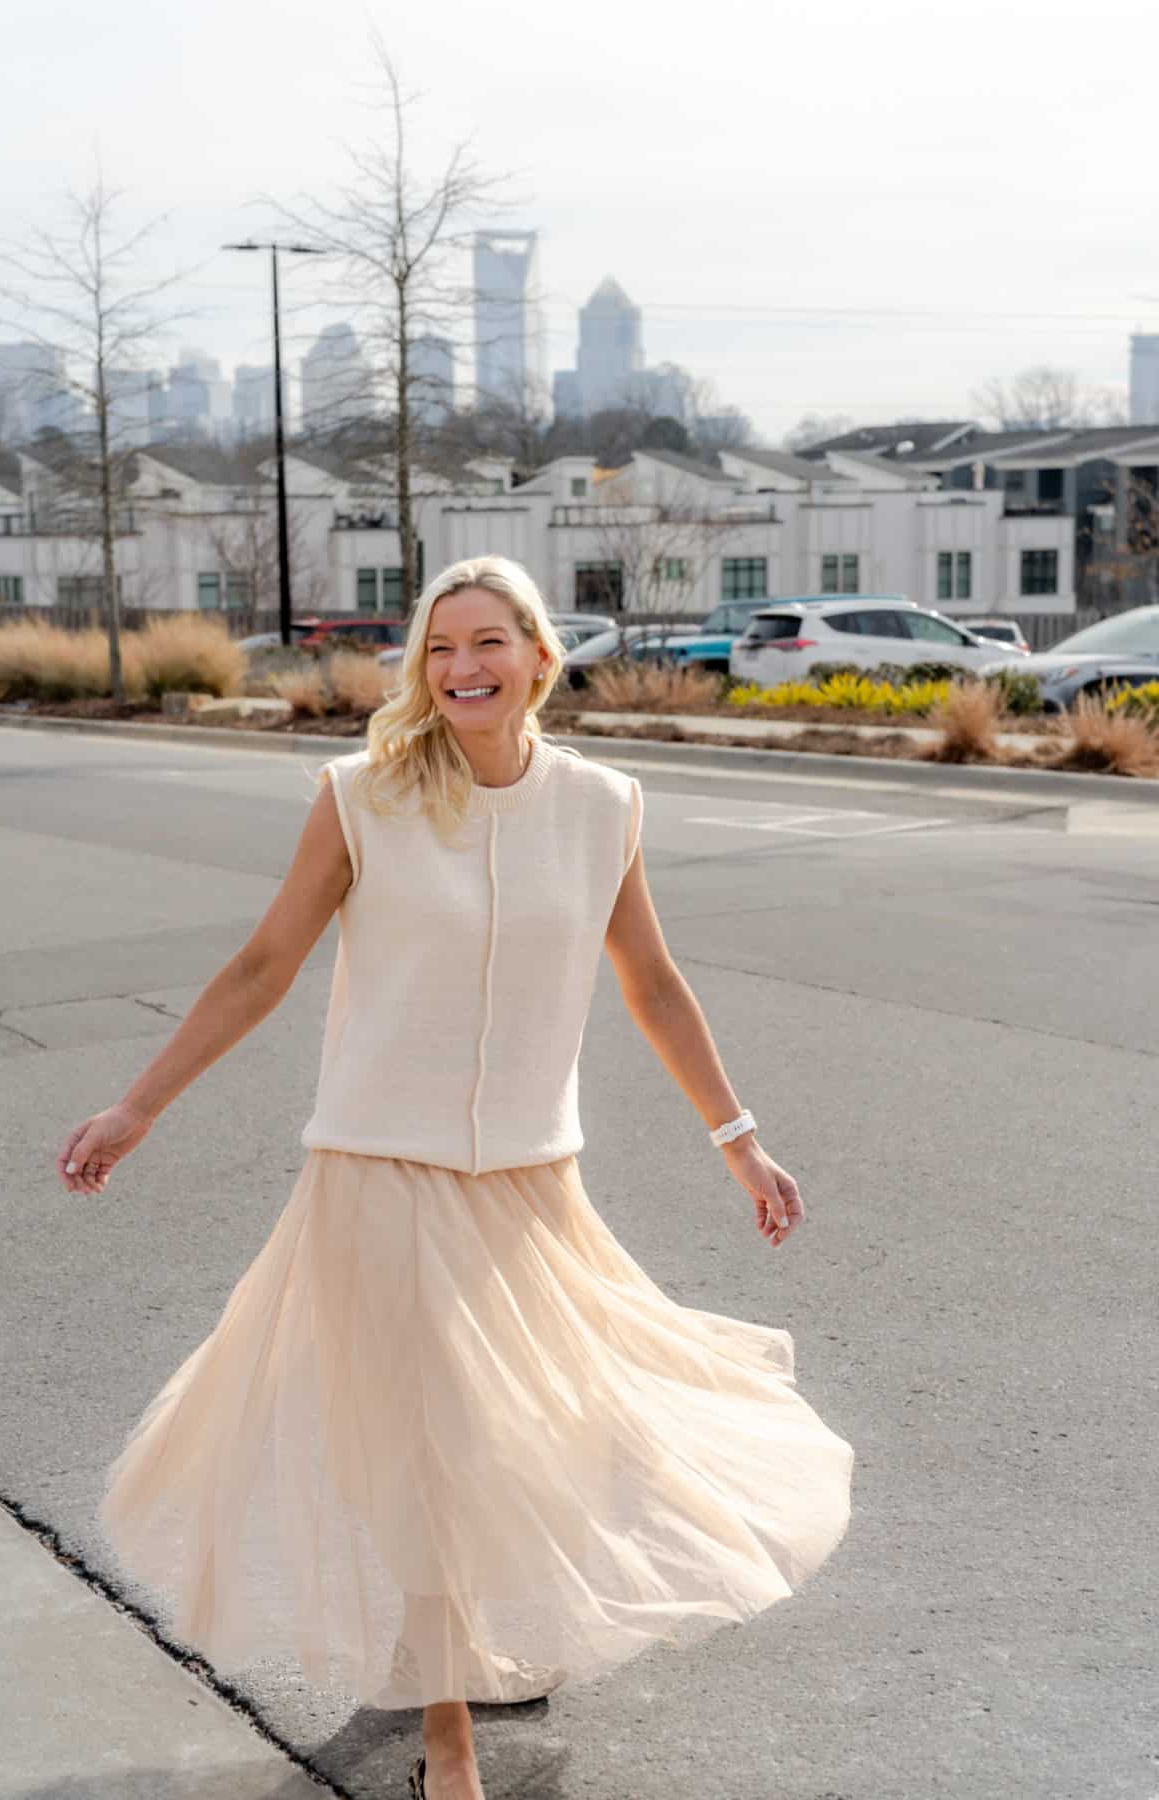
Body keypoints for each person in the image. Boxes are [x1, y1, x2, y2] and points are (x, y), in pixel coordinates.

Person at [58, 554, 853, 1800]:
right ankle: (448, 1728)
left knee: (529, 1426)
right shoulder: (361, 796)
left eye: (489, 642)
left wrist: (737, 1137)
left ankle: (458, 1630)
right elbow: (268, 964)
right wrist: (138, 1105)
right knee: (432, 1438)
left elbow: (648, 983)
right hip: (378, 1166)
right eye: (439, 648)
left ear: (543, 655)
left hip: (532, 1179)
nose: (463, 668)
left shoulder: (604, 805)